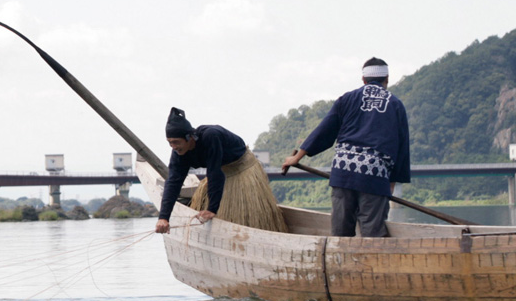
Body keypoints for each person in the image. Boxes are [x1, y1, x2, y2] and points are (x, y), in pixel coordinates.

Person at [280, 57, 410, 237]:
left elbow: (324, 130)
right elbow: (401, 148)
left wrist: (297, 157)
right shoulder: (395, 104)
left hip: (344, 171)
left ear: (363, 79)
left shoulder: (347, 99)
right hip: (374, 174)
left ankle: (340, 253)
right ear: (387, 79)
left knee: (341, 230)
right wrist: (391, 183)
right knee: (372, 232)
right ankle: (372, 253)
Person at [155, 107, 287, 234]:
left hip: (241, 168)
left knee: (246, 215)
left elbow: (214, 173)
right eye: (170, 142)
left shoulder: (210, 136)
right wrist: (163, 217)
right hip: (222, 170)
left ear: (190, 137)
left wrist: (212, 209)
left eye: (176, 142)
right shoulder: (178, 153)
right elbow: (173, 182)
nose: (173, 147)